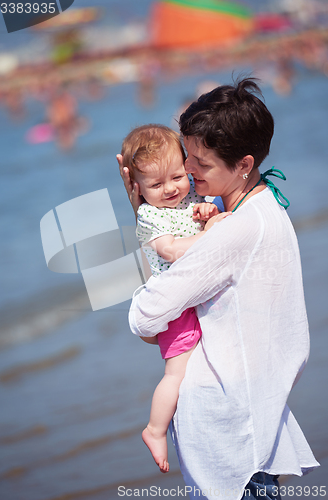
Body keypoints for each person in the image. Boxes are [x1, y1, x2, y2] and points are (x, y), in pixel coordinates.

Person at [118, 77, 319, 500]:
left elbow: (144, 319)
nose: (188, 172)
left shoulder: (229, 235)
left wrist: (143, 220)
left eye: (200, 164)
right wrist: (150, 216)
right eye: (187, 156)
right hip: (254, 421)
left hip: (229, 438)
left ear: (243, 164)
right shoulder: (266, 207)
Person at [119, 124, 230, 473]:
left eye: (177, 177)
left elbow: (199, 217)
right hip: (174, 305)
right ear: (137, 188)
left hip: (193, 297)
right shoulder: (148, 215)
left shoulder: (191, 198)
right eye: (155, 184)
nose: (169, 189)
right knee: (176, 373)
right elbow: (170, 250)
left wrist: (207, 214)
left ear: (186, 167)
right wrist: (211, 234)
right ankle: (155, 429)